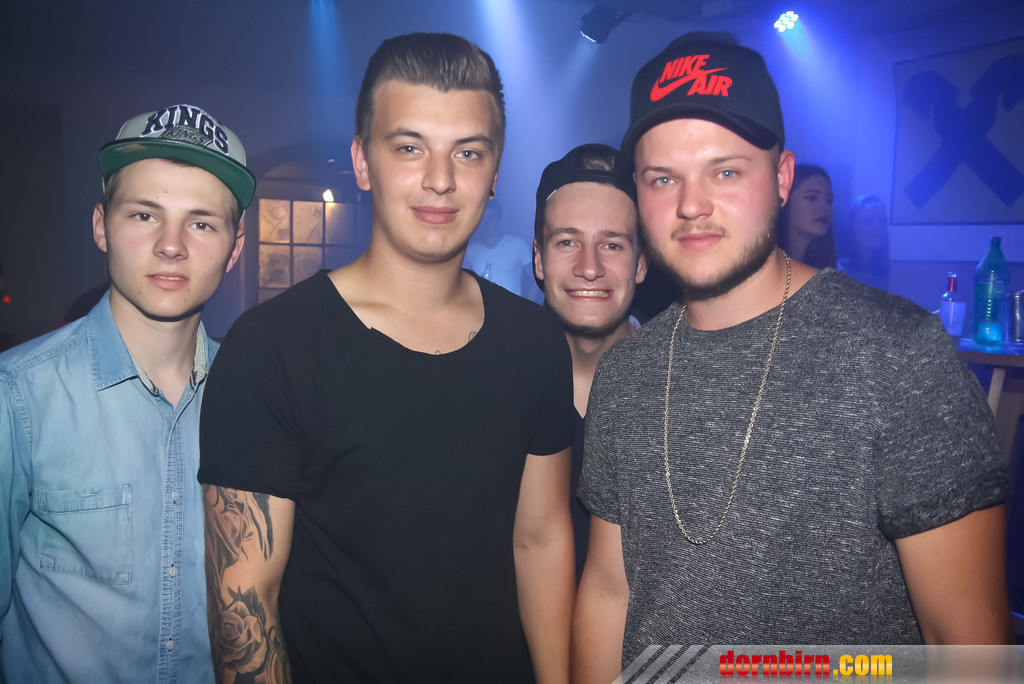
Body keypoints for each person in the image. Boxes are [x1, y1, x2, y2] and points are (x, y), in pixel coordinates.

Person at [573, 32, 1010, 681]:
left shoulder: (897, 354)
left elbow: (966, 644)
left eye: (725, 171)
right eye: (664, 178)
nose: (691, 205)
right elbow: (610, 592)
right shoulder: (625, 373)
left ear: (781, 177)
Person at [198, 33, 575, 683]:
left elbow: (540, 541)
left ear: (494, 174)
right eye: (409, 148)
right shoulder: (272, 349)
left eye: (468, 152)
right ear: (362, 162)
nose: (440, 179)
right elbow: (246, 606)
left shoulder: (534, 341)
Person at [0, 104, 252, 682]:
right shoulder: (18, 396)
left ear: (234, 248)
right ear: (100, 226)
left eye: (202, 223)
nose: (171, 245)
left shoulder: (258, 397)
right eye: (144, 214)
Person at [531, 143, 646, 581]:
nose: (590, 267)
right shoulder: (497, 382)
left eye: (612, 244)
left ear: (641, 264)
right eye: (567, 242)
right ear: (539, 259)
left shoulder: (683, 386)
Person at [776, 163, 837, 268]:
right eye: (812, 198)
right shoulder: (764, 264)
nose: (825, 207)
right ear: (785, 201)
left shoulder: (823, 269)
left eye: (829, 200)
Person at [838, 193, 891, 290]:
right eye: (869, 221)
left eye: (882, 221)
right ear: (851, 227)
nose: (878, 227)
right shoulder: (838, 270)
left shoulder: (877, 269)